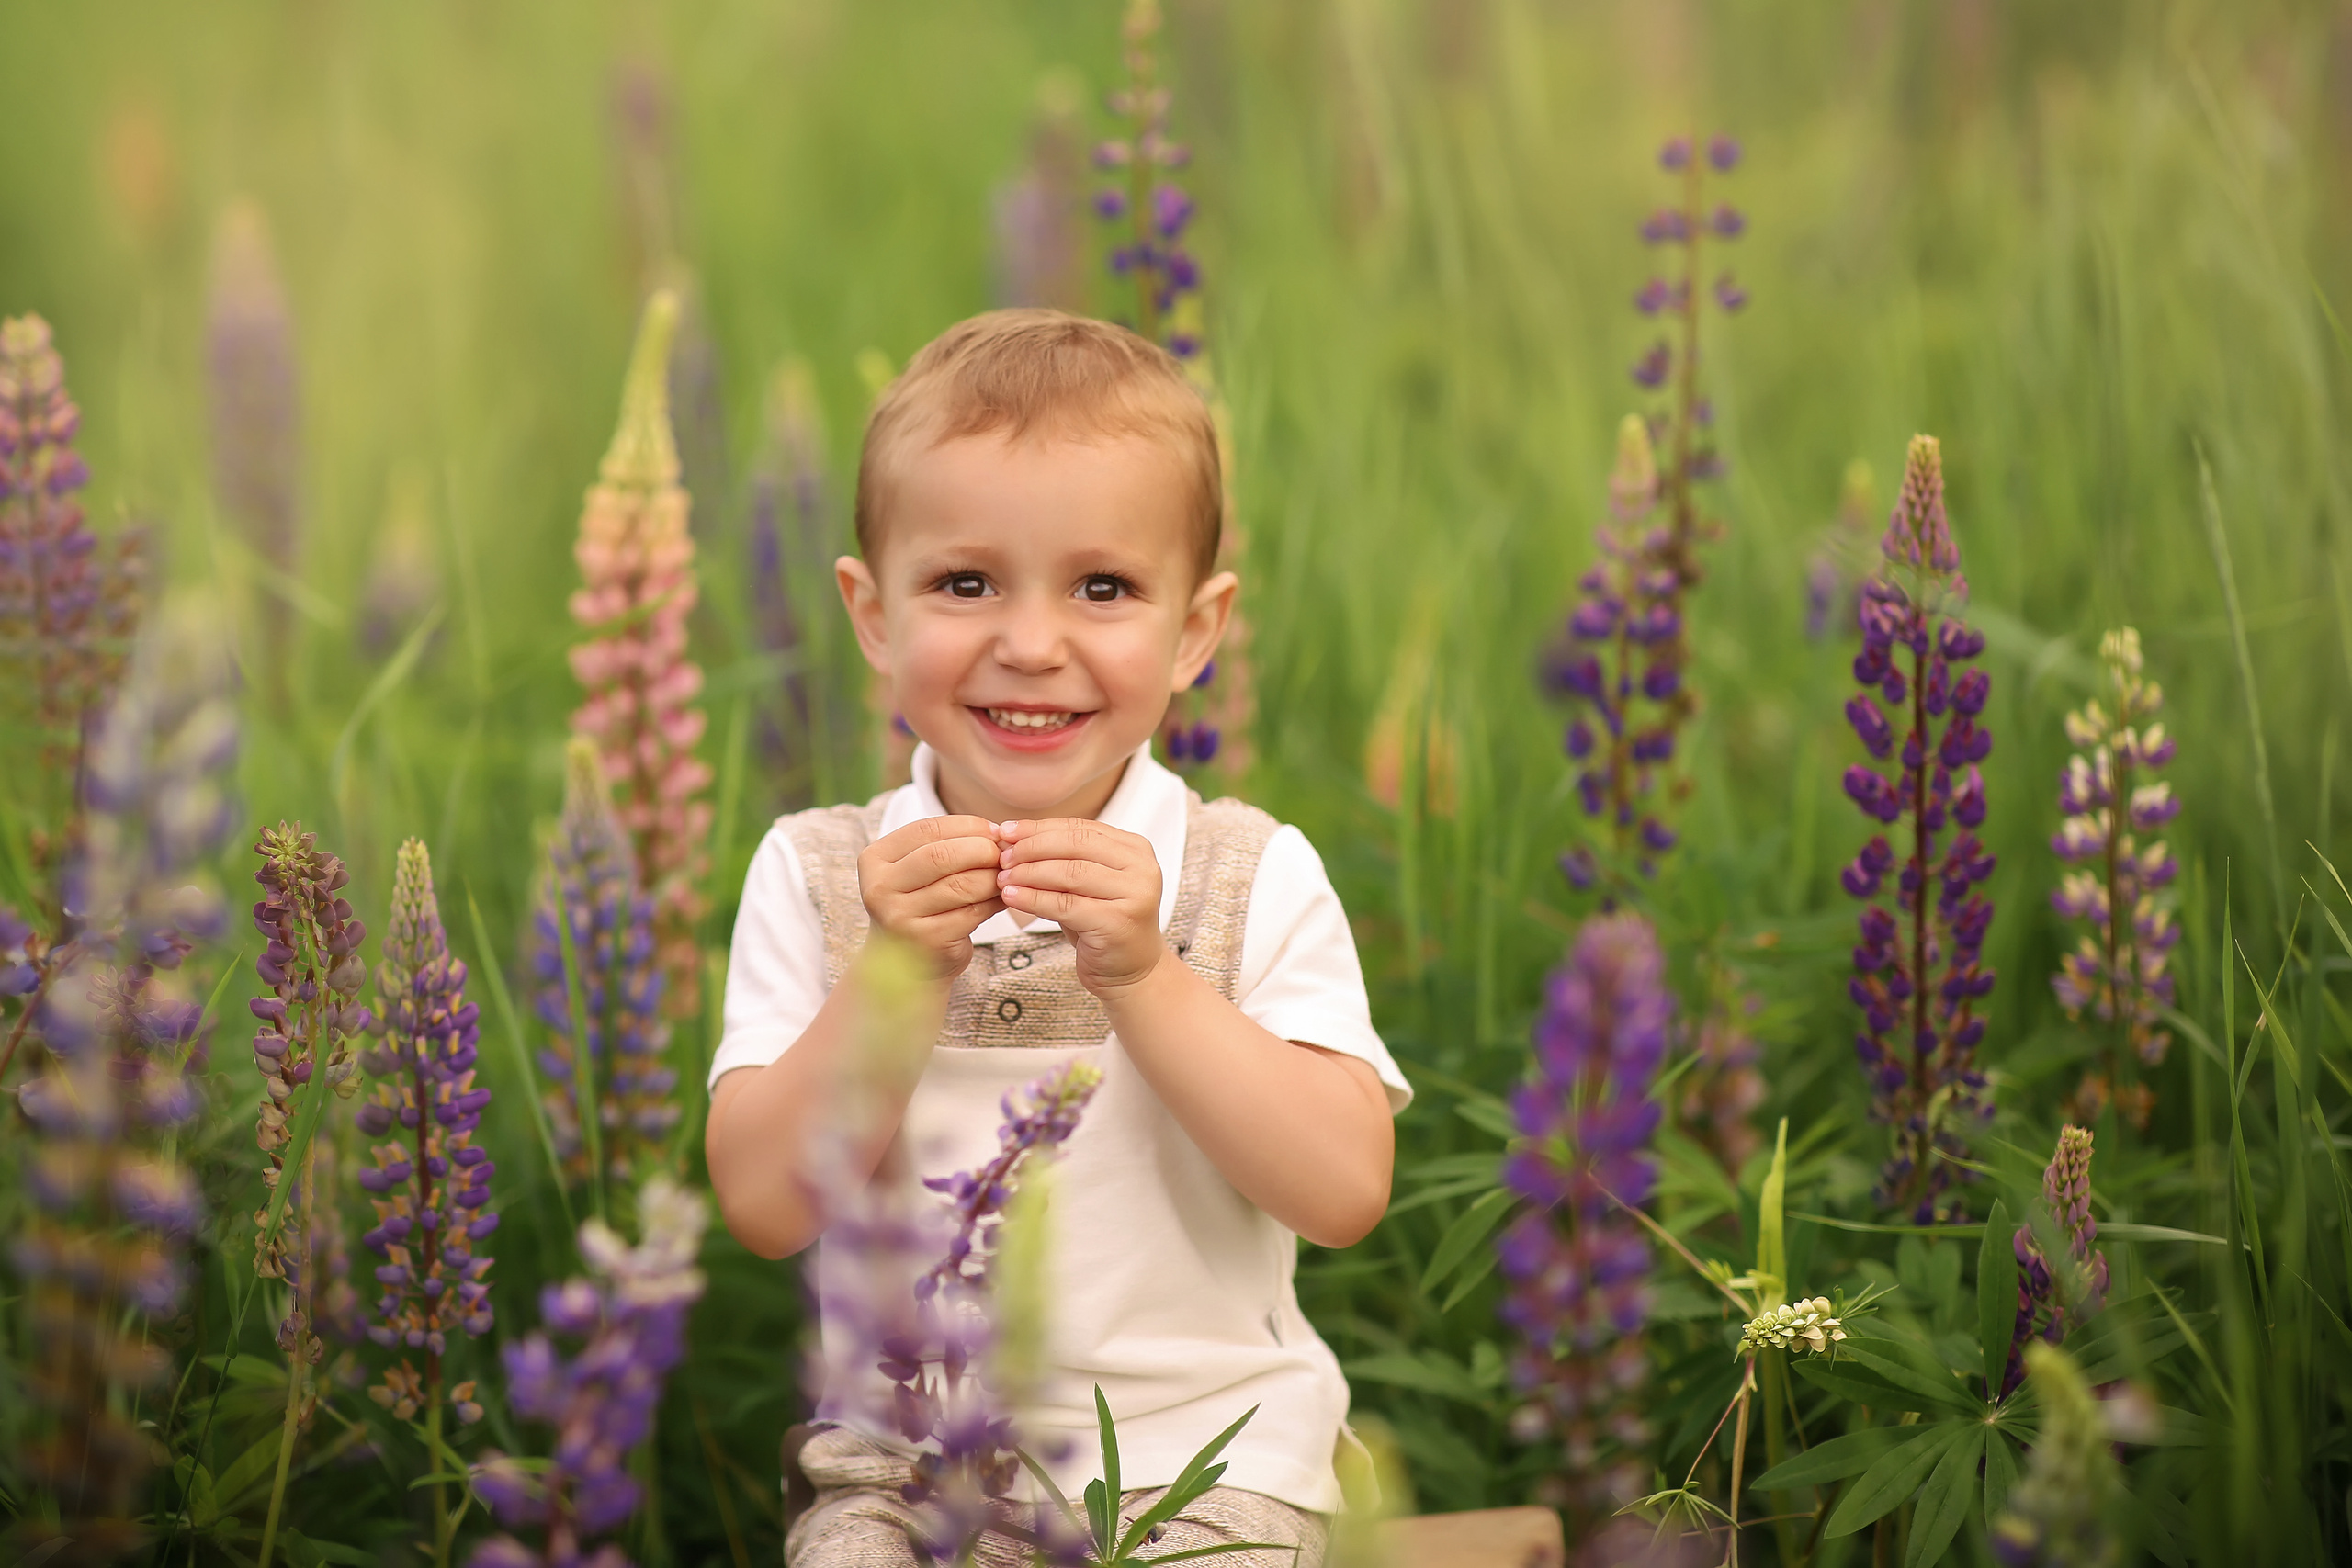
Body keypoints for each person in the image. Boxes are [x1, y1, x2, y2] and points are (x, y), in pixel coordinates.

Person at [705, 309, 1410, 1568]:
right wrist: (891, 978)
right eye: (965, 583)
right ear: (872, 615)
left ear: (1195, 631)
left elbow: (1346, 1189)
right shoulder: (817, 875)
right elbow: (764, 1203)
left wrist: (1146, 974)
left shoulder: (1248, 872)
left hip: (1208, 1464)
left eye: (1103, 586)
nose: (1031, 645)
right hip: (906, 1472)